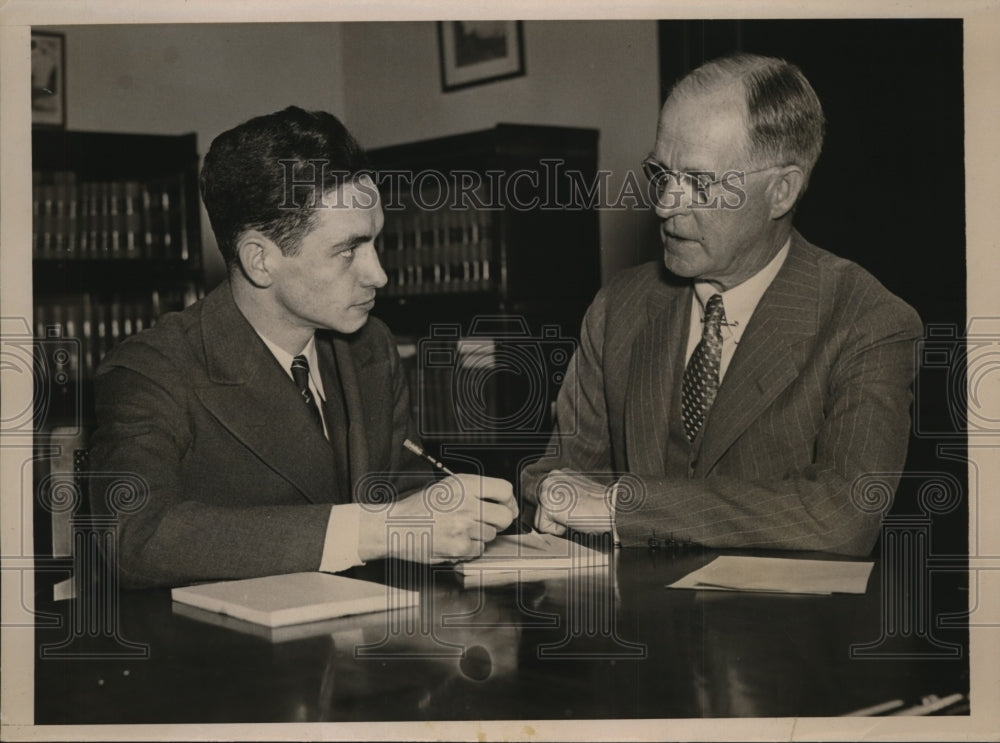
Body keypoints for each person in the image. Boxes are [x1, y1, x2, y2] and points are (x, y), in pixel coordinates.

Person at [89, 107, 517, 588]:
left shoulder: (368, 345)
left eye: (376, 242)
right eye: (347, 250)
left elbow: (402, 486)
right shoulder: (151, 370)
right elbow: (132, 539)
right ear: (260, 261)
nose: (379, 275)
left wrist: (453, 511)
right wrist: (378, 530)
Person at [523, 53, 922, 557]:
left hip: (784, 633)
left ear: (781, 192)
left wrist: (625, 507)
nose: (666, 203)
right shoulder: (619, 307)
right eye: (660, 173)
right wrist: (550, 494)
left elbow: (845, 515)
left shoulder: (869, 321)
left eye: (699, 183)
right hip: (635, 627)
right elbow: (560, 478)